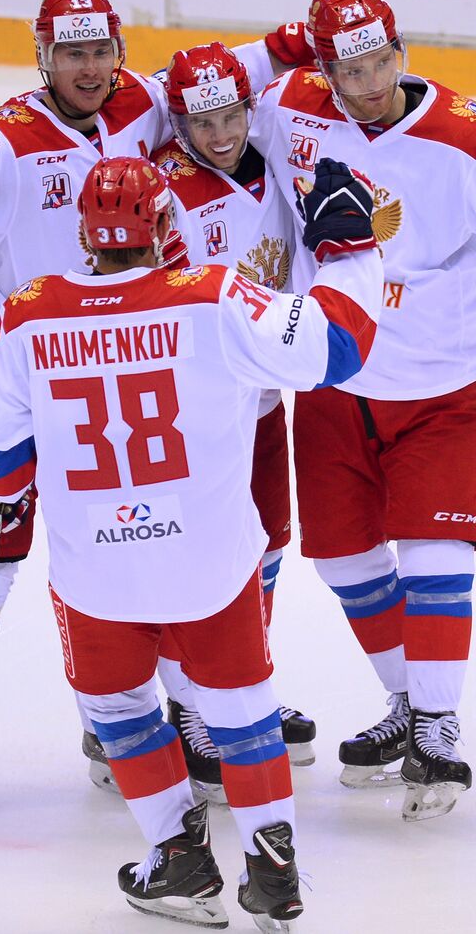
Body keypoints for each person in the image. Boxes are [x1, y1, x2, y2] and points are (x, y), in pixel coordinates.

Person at [0, 0, 305, 809]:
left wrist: (293, 40)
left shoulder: (144, 99)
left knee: (138, 554)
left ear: (118, 49)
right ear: (43, 55)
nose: (89, 69)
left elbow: (230, 75)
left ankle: (144, 720)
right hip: (20, 367)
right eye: (72, 54)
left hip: (127, 374)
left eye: (101, 50)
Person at [0, 154, 381, 928]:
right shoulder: (213, 297)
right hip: (208, 566)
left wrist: (0, 373)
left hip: (97, 578)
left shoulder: (27, 313)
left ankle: (177, 858)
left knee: (118, 708)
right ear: (163, 225)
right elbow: (339, 348)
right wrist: (352, 252)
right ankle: (272, 867)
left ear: (84, 236)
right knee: (243, 709)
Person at [246, 0, 476, 820]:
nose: (371, 82)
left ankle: (439, 729)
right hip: (334, 374)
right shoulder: (290, 104)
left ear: (401, 51)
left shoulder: (464, 130)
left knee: (433, 555)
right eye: (352, 68)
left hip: (437, 386)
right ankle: (411, 705)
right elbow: (212, 128)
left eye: (384, 61)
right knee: (342, 557)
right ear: (323, 66)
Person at [149, 41, 326, 798]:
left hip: (261, 397)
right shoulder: (163, 188)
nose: (220, 134)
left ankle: (240, 684)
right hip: (195, 410)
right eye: (201, 121)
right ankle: (188, 704)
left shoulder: (279, 162)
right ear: (178, 120)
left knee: (266, 542)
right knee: (196, 553)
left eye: (231, 117)